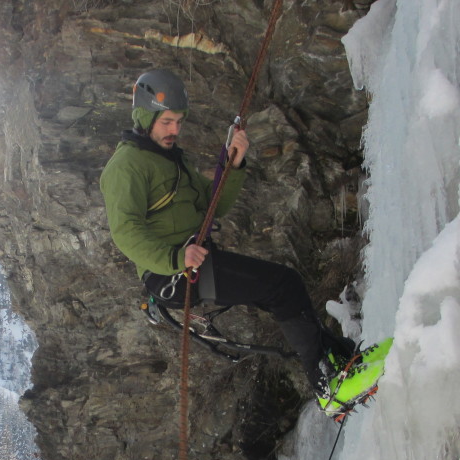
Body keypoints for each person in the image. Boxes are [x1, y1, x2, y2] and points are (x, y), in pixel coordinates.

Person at [99, 69, 381, 413]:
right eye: (167, 121)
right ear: (145, 117)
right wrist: (177, 257)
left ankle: (340, 359)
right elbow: (125, 232)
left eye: (179, 121)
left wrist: (233, 163)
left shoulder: (174, 159)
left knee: (280, 291)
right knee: (282, 285)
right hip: (173, 275)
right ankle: (328, 382)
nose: (175, 130)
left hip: (193, 264)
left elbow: (215, 204)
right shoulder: (126, 166)